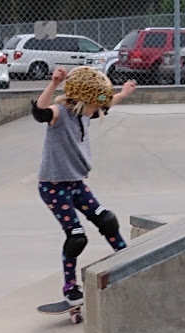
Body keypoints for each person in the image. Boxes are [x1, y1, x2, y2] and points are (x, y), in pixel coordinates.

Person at [32, 66, 136, 306]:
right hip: (53, 187)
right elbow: (39, 112)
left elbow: (107, 101)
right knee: (77, 237)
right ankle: (70, 288)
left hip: (76, 185)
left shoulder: (86, 112)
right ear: (81, 101)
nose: (98, 111)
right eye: (95, 106)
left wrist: (125, 92)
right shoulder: (59, 113)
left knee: (107, 220)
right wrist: (54, 83)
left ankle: (129, 259)